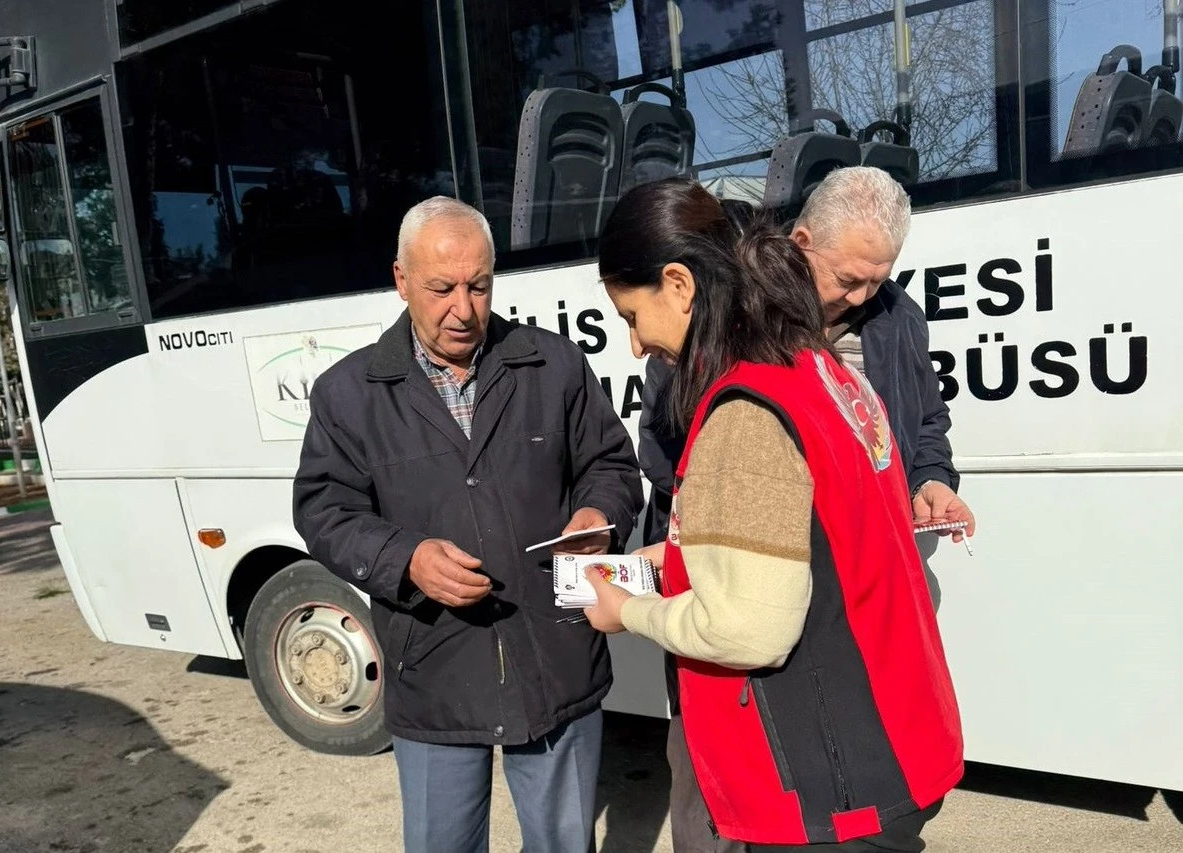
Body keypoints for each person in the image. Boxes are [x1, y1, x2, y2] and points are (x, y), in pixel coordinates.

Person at [586, 178, 963, 851]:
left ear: (677, 284)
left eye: (629, 315)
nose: (636, 346)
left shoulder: (746, 410)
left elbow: (747, 632)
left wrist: (627, 613)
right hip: (885, 747)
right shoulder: (820, 372)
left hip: (824, 782)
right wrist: (669, 558)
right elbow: (809, 538)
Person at [292, 196, 643, 853]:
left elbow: (611, 465)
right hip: (433, 672)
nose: (463, 308)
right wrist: (403, 558)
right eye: (441, 287)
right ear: (400, 280)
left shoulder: (553, 363)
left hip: (555, 660)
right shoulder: (349, 393)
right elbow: (323, 509)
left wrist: (600, 512)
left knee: (565, 843)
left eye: (478, 286)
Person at [640, 166, 974, 556]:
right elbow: (662, 446)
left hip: (868, 560)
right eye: (848, 280)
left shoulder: (899, 316)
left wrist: (928, 481)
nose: (861, 297)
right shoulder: (723, 309)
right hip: (754, 561)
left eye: (878, 280)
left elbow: (927, 419)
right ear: (801, 242)